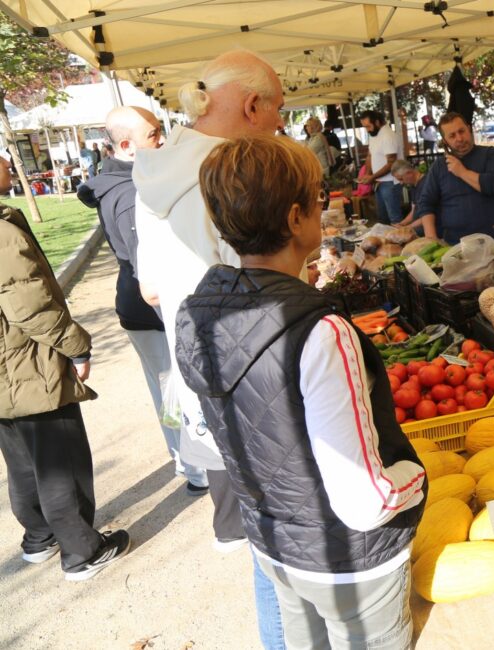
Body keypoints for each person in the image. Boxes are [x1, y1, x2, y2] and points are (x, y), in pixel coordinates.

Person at [176, 134, 426, 649]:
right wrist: (417, 476)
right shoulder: (321, 332)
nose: (323, 207)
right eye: (317, 200)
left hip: (275, 547)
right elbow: (363, 501)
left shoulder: (197, 313)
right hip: (348, 563)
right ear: (295, 219)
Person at [131, 49, 287, 650]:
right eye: (277, 110)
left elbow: (149, 287)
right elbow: (261, 287)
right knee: (278, 536)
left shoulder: (157, 168)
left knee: (262, 532)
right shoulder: (231, 172)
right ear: (252, 105)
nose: (280, 123)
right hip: (252, 378)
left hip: (202, 368)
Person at [0, 159, 132, 582]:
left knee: (22, 458)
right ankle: (82, 551)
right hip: (29, 365)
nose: (8, 163)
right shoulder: (1, 233)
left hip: (7, 372)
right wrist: (76, 347)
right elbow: (31, 308)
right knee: (60, 460)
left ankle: (40, 537)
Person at [77, 106, 209, 495]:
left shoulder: (127, 181)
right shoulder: (127, 194)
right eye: (153, 135)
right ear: (126, 146)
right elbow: (145, 270)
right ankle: (195, 467)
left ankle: (190, 462)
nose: (162, 140)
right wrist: (173, 317)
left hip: (143, 307)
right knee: (173, 390)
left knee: (167, 388)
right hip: (151, 310)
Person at [412, 111, 494, 244]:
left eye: (461, 131)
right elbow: (426, 202)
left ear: (469, 129)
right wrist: (431, 238)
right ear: (445, 141)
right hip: (453, 242)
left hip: (489, 240)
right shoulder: (440, 166)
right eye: (452, 136)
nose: (459, 138)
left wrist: (462, 172)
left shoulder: (490, 154)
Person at [357, 110, 402, 224]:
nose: (367, 130)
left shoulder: (387, 135)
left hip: (390, 182)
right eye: (365, 127)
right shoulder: (374, 134)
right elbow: (370, 155)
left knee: (395, 220)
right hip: (379, 183)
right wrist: (367, 174)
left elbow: (391, 163)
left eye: (368, 126)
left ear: (377, 122)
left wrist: (372, 177)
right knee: (383, 220)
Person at [391, 159, 426, 230]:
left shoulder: (426, 185)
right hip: (417, 227)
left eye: (401, 179)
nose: (401, 183)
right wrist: (401, 224)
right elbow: (413, 211)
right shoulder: (413, 185)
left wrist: (407, 227)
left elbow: (429, 215)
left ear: (409, 173)